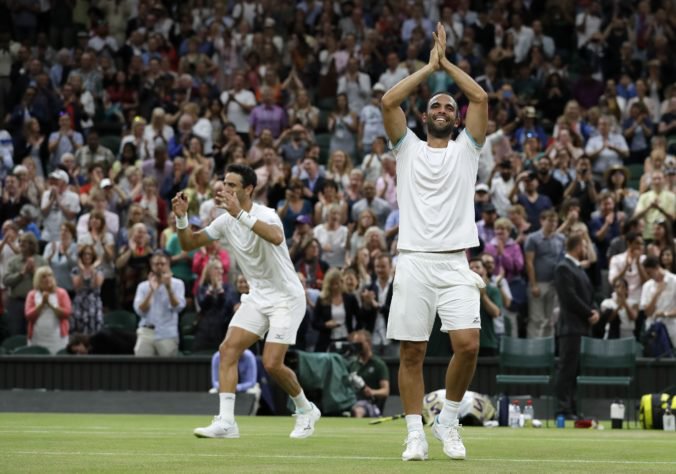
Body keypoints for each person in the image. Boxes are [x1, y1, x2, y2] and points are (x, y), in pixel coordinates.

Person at [380, 23, 488, 461]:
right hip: (413, 261)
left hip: (455, 263)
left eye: (448, 105)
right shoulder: (405, 147)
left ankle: (448, 420)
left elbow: (480, 97)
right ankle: (414, 435)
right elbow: (389, 101)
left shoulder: (468, 149)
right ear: (424, 117)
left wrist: (447, 65)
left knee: (468, 345)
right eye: (434, 106)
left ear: (456, 118)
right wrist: (428, 69)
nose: (442, 108)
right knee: (413, 353)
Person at [172, 163, 321, 440]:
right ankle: (227, 423)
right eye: (224, 184)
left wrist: (239, 214)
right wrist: (182, 219)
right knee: (228, 350)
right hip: (257, 296)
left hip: (287, 298)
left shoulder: (267, 215)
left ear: (248, 190)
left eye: (232, 185)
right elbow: (189, 244)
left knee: (272, 363)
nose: (225, 189)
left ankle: (306, 409)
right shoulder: (225, 220)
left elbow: (276, 237)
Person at [553, 234, 600, 419]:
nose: (587, 250)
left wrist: (594, 309)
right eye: (585, 246)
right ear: (579, 247)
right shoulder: (563, 267)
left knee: (574, 370)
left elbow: (588, 294)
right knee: (566, 369)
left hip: (580, 327)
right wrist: (589, 313)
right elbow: (569, 297)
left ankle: (571, 408)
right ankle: (562, 409)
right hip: (570, 328)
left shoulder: (577, 268)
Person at [132, 250, 186, 356]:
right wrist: (151, 290)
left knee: (167, 369)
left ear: (168, 265)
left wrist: (169, 288)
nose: (160, 267)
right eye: (156, 264)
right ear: (152, 266)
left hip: (167, 333)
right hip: (146, 332)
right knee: (140, 367)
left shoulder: (178, 284)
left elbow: (178, 308)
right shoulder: (143, 286)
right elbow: (140, 310)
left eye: (163, 264)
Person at [24, 265, 72, 354]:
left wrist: (51, 305)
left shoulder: (62, 293)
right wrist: (42, 304)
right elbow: (28, 316)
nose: (48, 279)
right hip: (37, 337)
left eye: (50, 275)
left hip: (57, 338)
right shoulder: (32, 294)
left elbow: (67, 313)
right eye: (44, 276)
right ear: (38, 280)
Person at [348, 330, 390, 418]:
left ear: (369, 343)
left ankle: (356, 429)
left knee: (359, 409)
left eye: (359, 344)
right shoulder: (352, 364)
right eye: (355, 344)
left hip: (370, 403)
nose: (357, 347)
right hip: (351, 399)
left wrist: (372, 392)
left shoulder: (378, 364)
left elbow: (385, 391)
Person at [640, 256, 676, 348]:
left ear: (657, 268)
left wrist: (665, 313)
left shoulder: (674, 281)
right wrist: (656, 293)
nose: (648, 276)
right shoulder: (647, 286)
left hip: (672, 327)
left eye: (649, 272)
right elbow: (647, 312)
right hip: (653, 329)